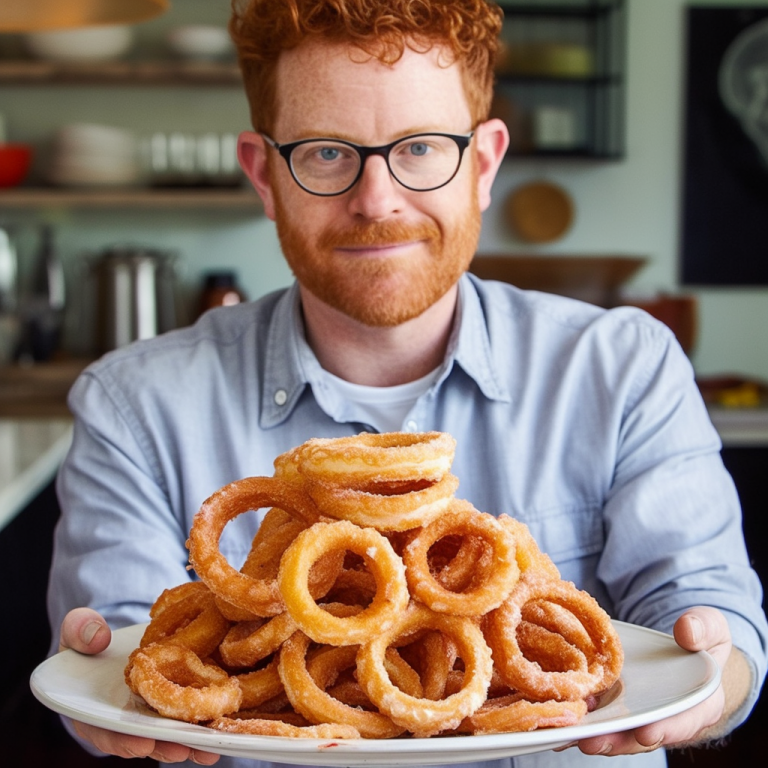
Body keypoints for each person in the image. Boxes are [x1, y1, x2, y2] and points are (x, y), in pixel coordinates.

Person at [48, 1, 767, 767]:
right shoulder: (132, 404)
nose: (377, 199)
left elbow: (713, 626)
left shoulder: (624, 368)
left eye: (421, 147)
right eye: (327, 153)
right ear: (264, 175)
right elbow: (118, 660)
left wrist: (706, 681)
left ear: (483, 165)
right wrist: (105, 693)